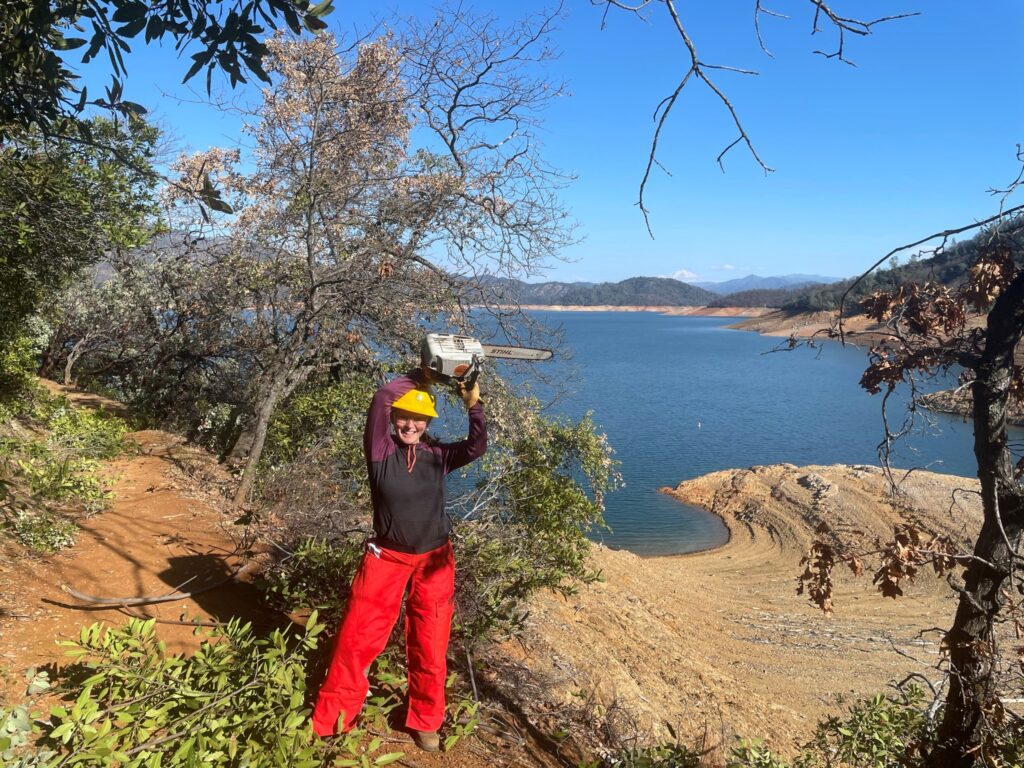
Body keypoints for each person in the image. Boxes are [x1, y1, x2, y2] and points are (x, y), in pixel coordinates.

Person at [311, 366, 486, 751]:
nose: (410, 424)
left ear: (427, 422)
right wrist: (423, 376)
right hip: (386, 559)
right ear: (393, 419)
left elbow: (476, 447)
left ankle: (426, 721)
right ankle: (335, 720)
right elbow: (380, 397)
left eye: (418, 419)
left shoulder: (437, 455)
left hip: (435, 561)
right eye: (404, 417)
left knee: (431, 642)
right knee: (357, 641)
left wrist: (474, 404)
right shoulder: (380, 451)